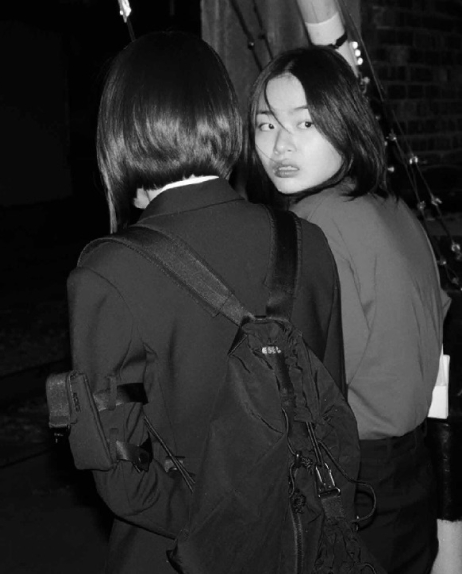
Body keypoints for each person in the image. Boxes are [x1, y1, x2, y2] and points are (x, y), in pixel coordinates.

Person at [66, 32, 346, 574]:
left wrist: (221, 520)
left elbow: (120, 469)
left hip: (173, 553)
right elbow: (330, 409)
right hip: (297, 541)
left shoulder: (107, 271)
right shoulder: (306, 241)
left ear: (121, 128)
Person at [245, 46, 450, 574]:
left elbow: (309, 387)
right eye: (266, 124)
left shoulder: (311, 227)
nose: (281, 145)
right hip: (412, 471)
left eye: (305, 123)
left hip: (352, 480)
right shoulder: (393, 206)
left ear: (345, 123)